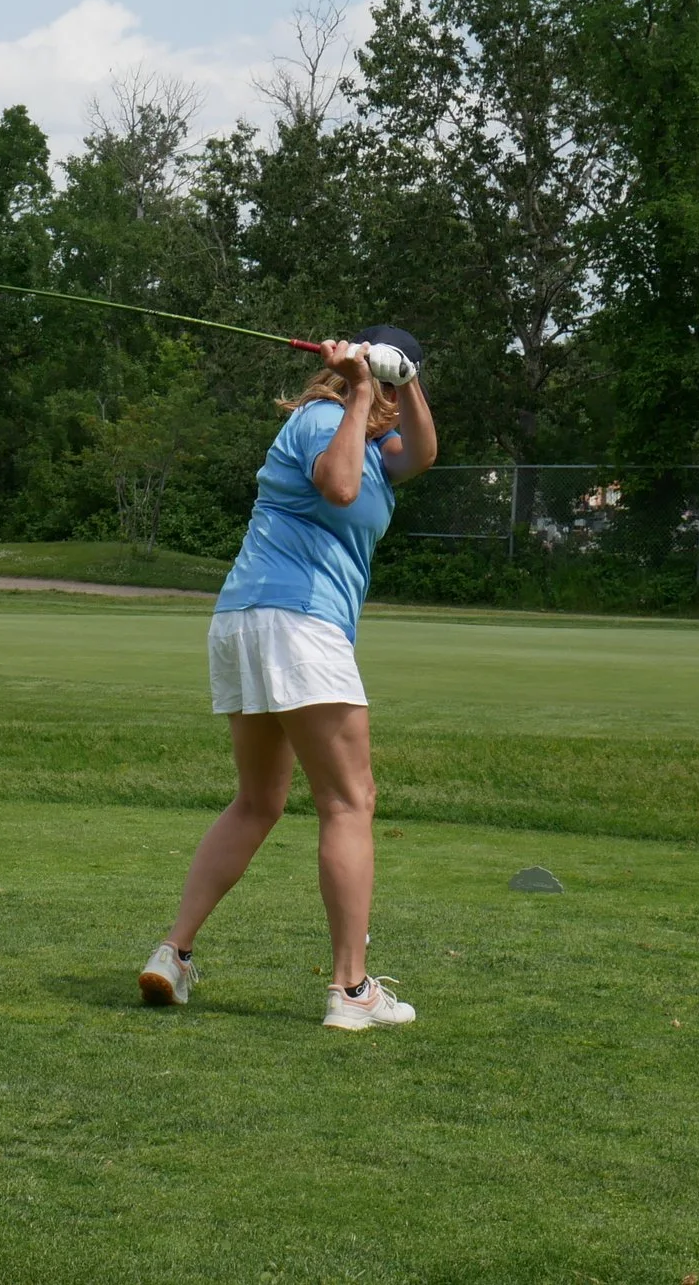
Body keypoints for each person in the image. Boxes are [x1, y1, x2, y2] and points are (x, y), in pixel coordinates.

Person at [138, 325, 438, 1030]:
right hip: (297, 621)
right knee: (349, 800)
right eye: (390, 389)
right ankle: (352, 989)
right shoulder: (324, 421)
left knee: (259, 801)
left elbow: (422, 455)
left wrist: (406, 379)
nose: (393, 402)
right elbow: (338, 488)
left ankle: (172, 954)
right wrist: (365, 386)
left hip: (250, 620)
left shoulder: (373, 439)